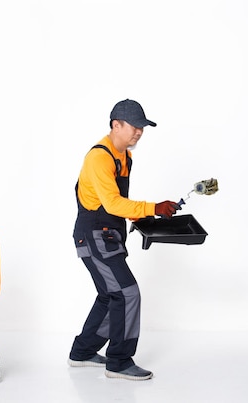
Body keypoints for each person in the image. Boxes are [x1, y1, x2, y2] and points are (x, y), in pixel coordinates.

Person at [68, 99, 181, 381]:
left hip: (108, 234)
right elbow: (113, 203)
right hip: (93, 235)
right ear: (115, 125)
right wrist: (153, 207)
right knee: (126, 292)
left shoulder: (124, 157)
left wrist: (141, 219)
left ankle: (82, 352)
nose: (139, 132)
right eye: (135, 126)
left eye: (142, 127)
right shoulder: (99, 157)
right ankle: (119, 361)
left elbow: (117, 203)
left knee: (110, 295)